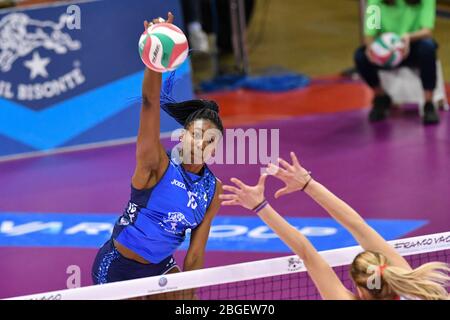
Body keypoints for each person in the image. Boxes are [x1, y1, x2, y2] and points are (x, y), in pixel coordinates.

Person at [92, 13, 223, 299]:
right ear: (183, 136)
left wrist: (190, 302)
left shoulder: (212, 189)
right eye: (196, 133)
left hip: (161, 268)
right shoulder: (156, 164)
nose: (201, 142)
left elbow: (195, 254)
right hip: (119, 269)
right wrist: (155, 62)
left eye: (210, 139)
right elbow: (150, 104)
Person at [220, 151, 449, 300]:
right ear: (388, 269)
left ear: (359, 290)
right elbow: (357, 225)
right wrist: (308, 184)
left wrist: (261, 206)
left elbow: (307, 252)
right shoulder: (416, 289)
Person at [354, 0, 440, 125]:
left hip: (411, 46)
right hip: (387, 51)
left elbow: (427, 31)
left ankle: (429, 103)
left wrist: (408, 37)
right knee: (360, 56)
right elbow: (370, 33)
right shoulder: (376, 2)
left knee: (428, 47)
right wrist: (372, 50)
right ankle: (381, 96)